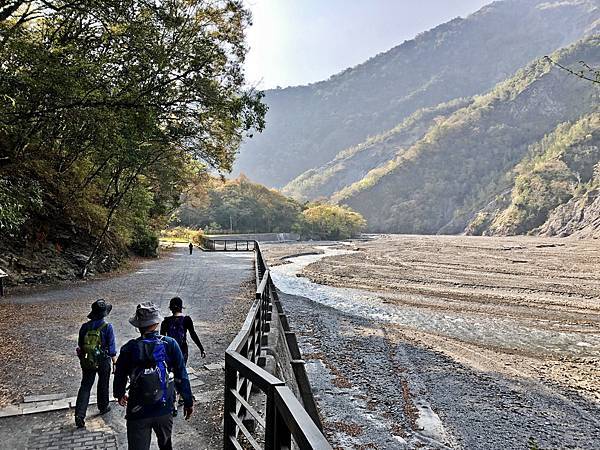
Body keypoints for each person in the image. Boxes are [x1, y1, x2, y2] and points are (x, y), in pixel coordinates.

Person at [114, 302, 193, 450]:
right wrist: (188, 401)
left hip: (137, 409)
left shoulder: (129, 348)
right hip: (164, 407)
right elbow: (181, 375)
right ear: (156, 323)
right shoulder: (170, 344)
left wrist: (119, 394)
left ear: (138, 326)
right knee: (165, 446)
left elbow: (120, 375)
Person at [75, 299, 117, 428]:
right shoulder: (107, 327)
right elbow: (111, 349)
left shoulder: (84, 327)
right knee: (103, 383)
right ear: (104, 314)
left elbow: (80, 345)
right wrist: (115, 362)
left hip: (88, 359)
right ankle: (103, 406)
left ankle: (80, 414)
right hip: (103, 360)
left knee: (86, 385)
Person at [160, 297, 206, 365]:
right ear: (181, 308)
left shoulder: (166, 322)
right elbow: (193, 335)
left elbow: (162, 339)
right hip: (182, 350)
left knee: (171, 372)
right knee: (181, 370)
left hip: (170, 351)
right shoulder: (186, 320)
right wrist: (201, 349)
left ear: (170, 309)